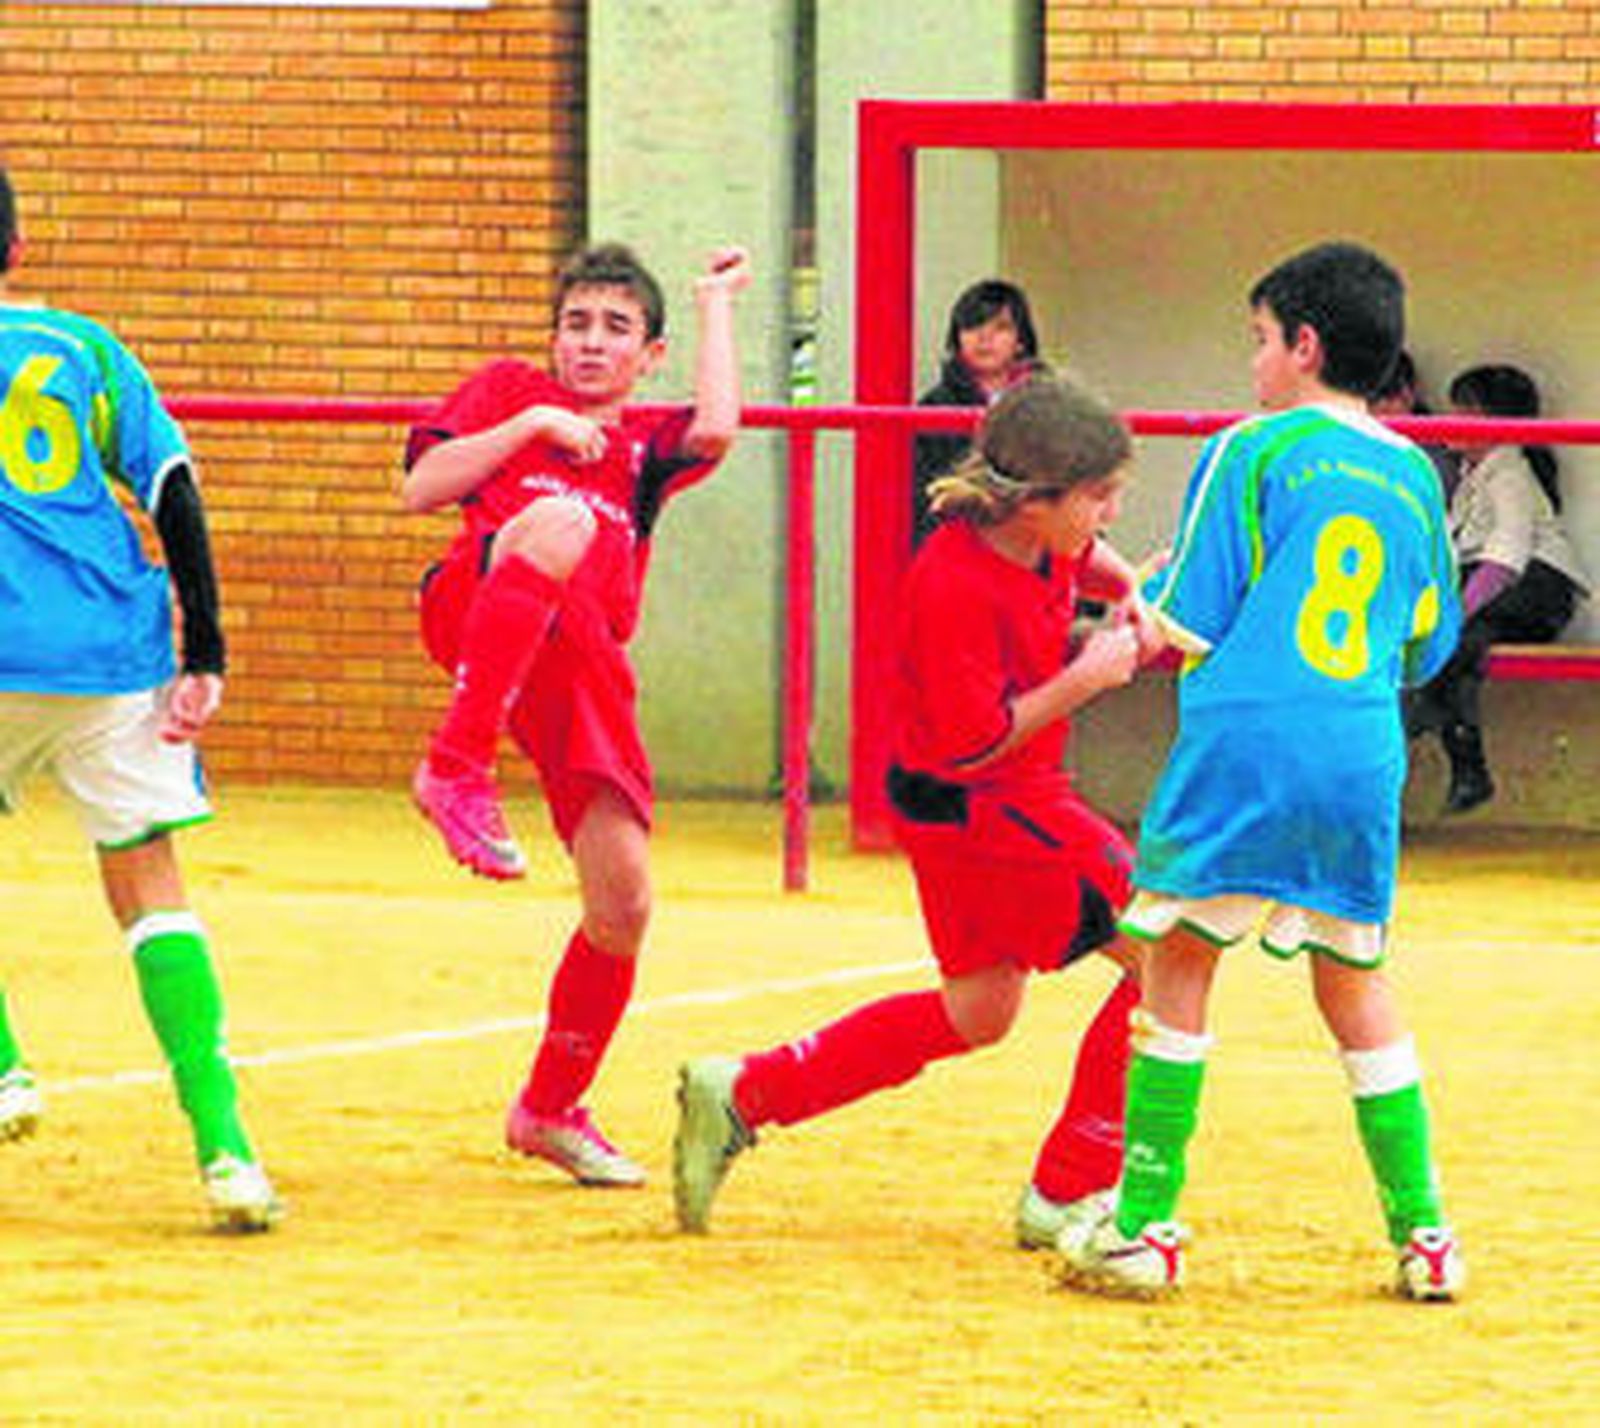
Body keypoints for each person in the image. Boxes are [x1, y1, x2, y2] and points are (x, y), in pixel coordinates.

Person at [1056, 242, 1467, 1302]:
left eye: (1257, 339)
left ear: (1303, 345)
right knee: (1354, 985)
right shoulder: (1415, 471)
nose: (1250, 362)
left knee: (1178, 966)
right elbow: (1427, 643)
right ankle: (1424, 1236)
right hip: (1360, 751)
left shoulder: (1248, 451)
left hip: (1245, 743)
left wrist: (1125, 613)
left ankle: (1143, 1226)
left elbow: (1191, 620)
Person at [673, 375, 1163, 1241]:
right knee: (1164, 954)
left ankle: (743, 1093)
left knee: (980, 1013)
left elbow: (1083, 560)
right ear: (1031, 502)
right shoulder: (952, 582)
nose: (1113, 514)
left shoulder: (1041, 539)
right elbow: (977, 742)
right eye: (1101, 496)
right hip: (986, 800)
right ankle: (1068, 1190)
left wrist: (1124, 590)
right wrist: (1088, 677)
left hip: (978, 802)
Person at [403, 240, 751, 1186]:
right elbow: (420, 489)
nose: (591, 344)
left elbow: (718, 428)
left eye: (617, 329)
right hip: (476, 603)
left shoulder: (642, 450)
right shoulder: (512, 392)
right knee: (562, 523)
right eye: (577, 323)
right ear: (553, 337)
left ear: (649, 357)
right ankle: (456, 765)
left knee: (624, 902)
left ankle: (548, 1108)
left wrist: (714, 299)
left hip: (581, 664)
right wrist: (531, 429)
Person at [0, 167, 279, 1231]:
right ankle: (227, 1154)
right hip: (108, 651)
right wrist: (205, 644)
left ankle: (6, 1069)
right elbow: (170, 486)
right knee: (151, 885)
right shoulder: (83, 348)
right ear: (19, 251)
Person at [1405, 363, 1591, 813]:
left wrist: (1455, 612)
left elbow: (1504, 563)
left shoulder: (1509, 472)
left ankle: (1462, 758)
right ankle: (1467, 765)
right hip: (1496, 595)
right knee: (1452, 648)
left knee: (1459, 641)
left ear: (1499, 426)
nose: (1453, 421)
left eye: (1466, 412)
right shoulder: (1473, 477)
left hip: (1537, 591)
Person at [912, 279, 1047, 545]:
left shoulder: (1050, 405)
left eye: (1001, 327)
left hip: (1035, 542)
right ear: (957, 339)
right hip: (959, 544)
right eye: (973, 326)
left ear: (1021, 340)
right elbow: (920, 498)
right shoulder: (933, 409)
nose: (984, 337)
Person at [1369, 348, 1459, 496]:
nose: (1379, 410)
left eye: (1387, 398)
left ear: (1408, 395)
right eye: (1371, 401)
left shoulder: (1434, 449)